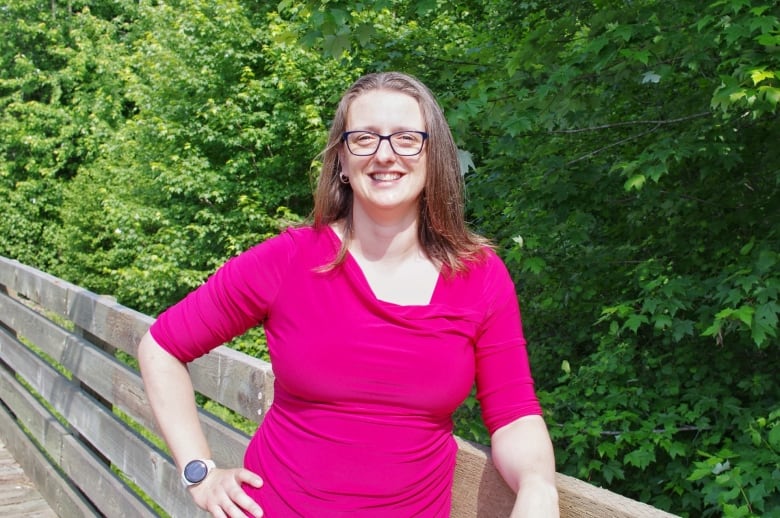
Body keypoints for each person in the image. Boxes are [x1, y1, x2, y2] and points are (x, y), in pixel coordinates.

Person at [138, 71, 559, 517]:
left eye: (405, 138)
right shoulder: (288, 260)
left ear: (433, 154)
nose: (384, 155)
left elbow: (514, 413)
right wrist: (199, 473)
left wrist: (538, 487)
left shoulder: (479, 276)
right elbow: (161, 347)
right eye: (364, 139)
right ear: (341, 159)